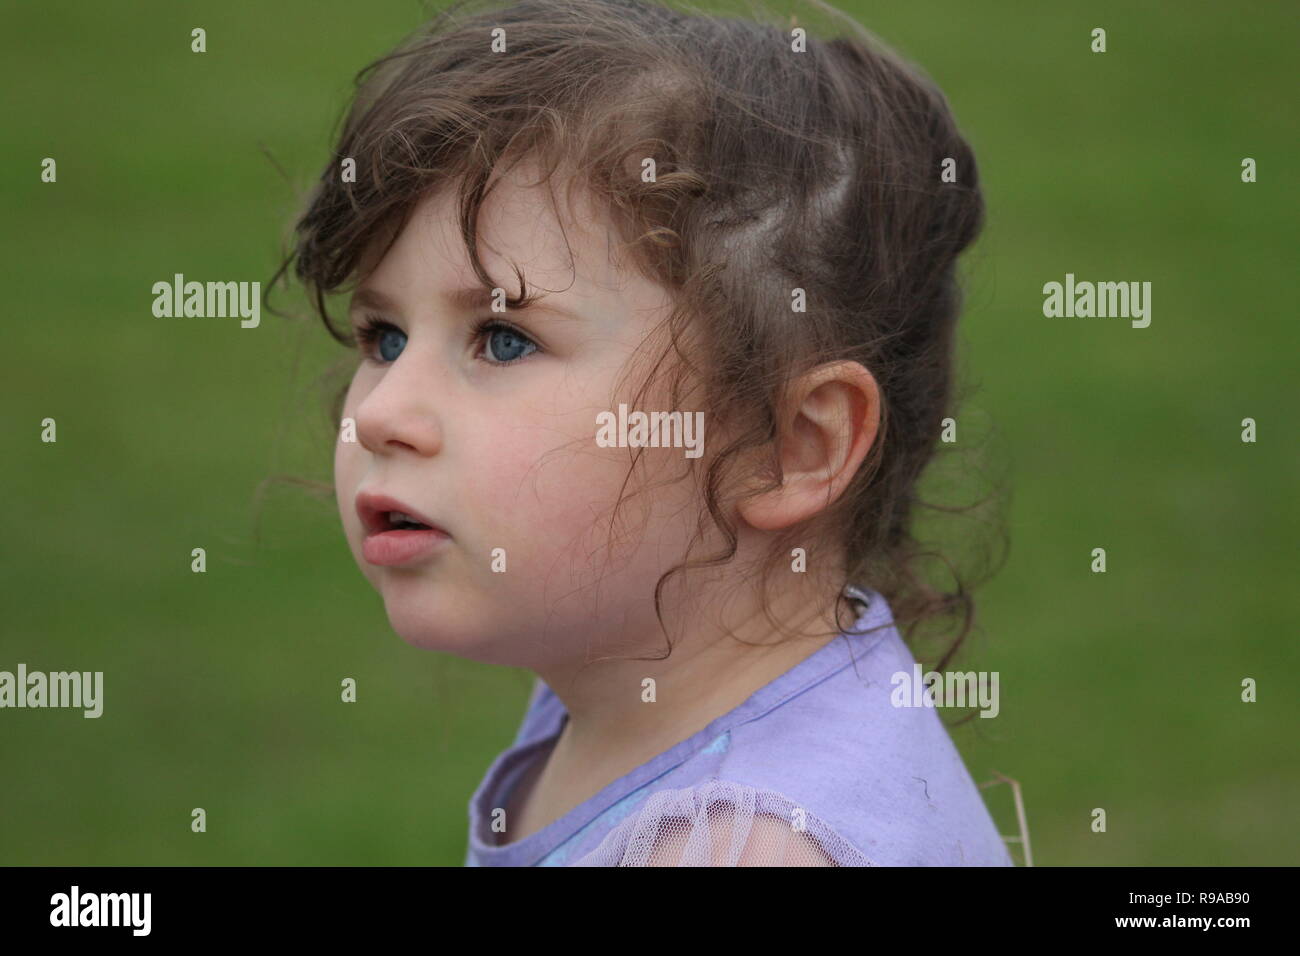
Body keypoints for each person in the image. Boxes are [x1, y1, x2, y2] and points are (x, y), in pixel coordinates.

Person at [277, 0, 1009, 866]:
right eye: (383, 338)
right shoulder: (633, 691)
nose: (381, 411)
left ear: (789, 447)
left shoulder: (742, 849)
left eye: (505, 340)